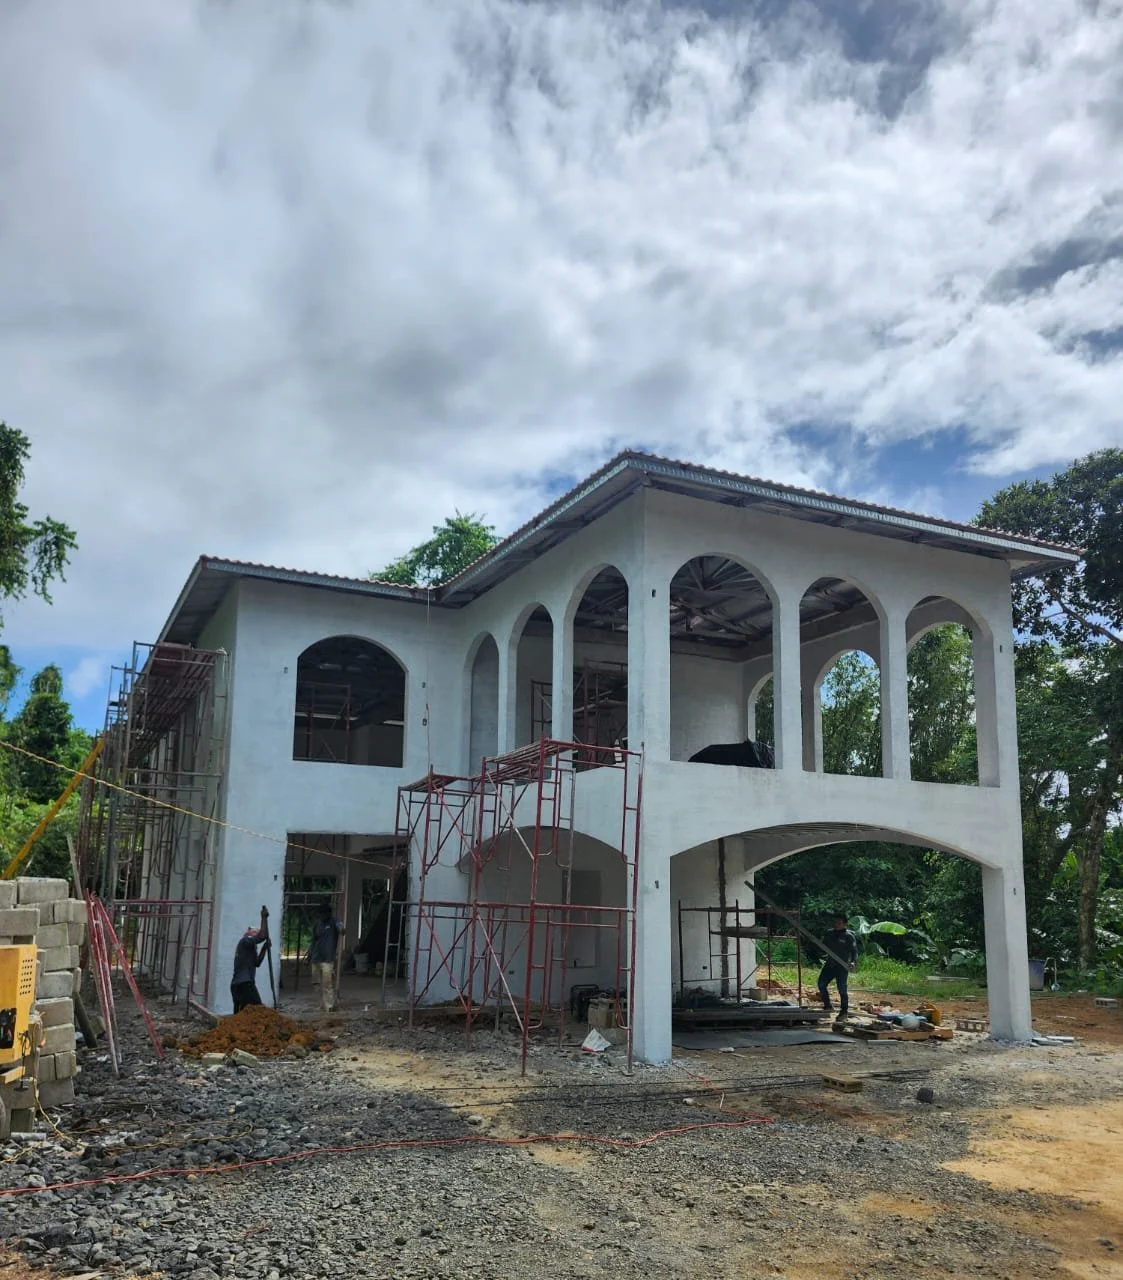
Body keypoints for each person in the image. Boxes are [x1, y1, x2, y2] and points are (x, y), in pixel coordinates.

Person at [817, 913, 858, 1018]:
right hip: (830, 964)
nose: (836, 925)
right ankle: (827, 1005)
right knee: (821, 984)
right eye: (835, 923)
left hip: (842, 966)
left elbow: (854, 952)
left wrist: (853, 962)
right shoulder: (829, 933)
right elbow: (823, 945)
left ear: (845, 924)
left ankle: (844, 1011)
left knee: (842, 989)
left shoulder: (849, 936)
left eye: (839, 923)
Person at [306, 903, 344, 1013]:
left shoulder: (334, 921)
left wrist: (341, 929)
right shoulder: (318, 924)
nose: (321, 916)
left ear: (328, 914)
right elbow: (314, 941)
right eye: (320, 914)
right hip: (316, 958)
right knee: (316, 983)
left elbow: (341, 927)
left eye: (323, 914)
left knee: (327, 983)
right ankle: (322, 1005)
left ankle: (330, 1007)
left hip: (328, 959)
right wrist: (309, 956)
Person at [231, 926, 271, 1013]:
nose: (256, 934)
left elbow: (257, 963)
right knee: (256, 1009)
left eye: (257, 932)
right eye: (254, 932)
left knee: (241, 1013)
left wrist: (264, 948)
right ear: (248, 933)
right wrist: (263, 916)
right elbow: (262, 936)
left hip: (239, 985)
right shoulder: (245, 940)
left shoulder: (250, 948)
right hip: (244, 984)